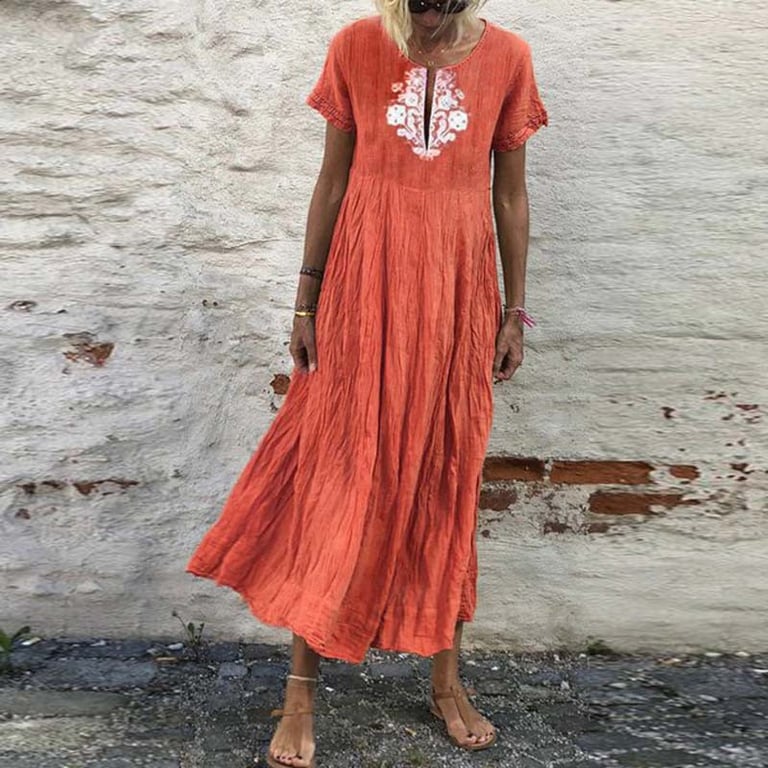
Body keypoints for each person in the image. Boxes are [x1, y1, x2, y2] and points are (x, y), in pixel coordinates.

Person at [186, 0, 548, 765]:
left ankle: (445, 681)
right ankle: (299, 692)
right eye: (417, 2)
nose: (430, 16)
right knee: (337, 470)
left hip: (456, 288)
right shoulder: (354, 46)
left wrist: (514, 312)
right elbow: (332, 180)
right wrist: (305, 300)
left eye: (447, 2)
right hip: (364, 280)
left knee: (446, 472)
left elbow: (510, 194)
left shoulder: (509, 58)